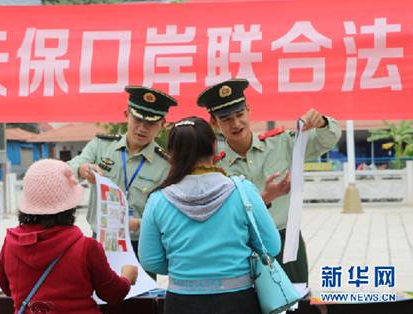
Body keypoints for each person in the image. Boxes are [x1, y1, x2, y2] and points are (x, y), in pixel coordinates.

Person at [197, 78, 342, 284]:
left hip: (286, 242)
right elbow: (220, 214)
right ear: (214, 123)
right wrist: (265, 197)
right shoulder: (214, 166)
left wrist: (323, 123)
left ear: (248, 111)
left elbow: (326, 140)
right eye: (227, 119)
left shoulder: (281, 143)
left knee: (296, 301)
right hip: (241, 247)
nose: (236, 123)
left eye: (240, 114)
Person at [139, 117, 281, 314]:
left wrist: (187, 271)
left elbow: (150, 260)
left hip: (181, 303)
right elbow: (271, 246)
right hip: (238, 300)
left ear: (172, 152)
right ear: (214, 146)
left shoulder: (158, 200)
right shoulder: (242, 191)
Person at [0, 159, 138, 314]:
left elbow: (7, 289)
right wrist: (127, 277)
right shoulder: (86, 247)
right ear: (70, 205)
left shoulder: (10, 244)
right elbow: (113, 294)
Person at [68, 85, 177, 256]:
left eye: (151, 123)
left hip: (142, 245)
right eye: (138, 120)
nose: (142, 128)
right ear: (127, 115)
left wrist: (139, 224)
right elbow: (68, 169)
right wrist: (82, 170)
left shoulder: (166, 165)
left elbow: (168, 214)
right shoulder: (100, 146)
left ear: (162, 124)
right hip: (100, 242)